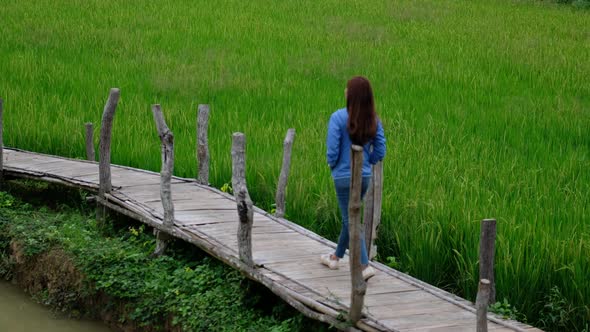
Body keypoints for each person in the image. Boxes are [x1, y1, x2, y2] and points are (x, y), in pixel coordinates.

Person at [320, 76, 386, 281]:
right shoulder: (373, 120)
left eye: (347, 89)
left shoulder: (338, 117)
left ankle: (365, 265)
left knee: (351, 219)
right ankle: (335, 257)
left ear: (353, 94)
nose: (345, 91)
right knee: (351, 216)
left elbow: (332, 150)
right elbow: (380, 149)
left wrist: (334, 166)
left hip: (342, 177)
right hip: (364, 176)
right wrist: (368, 163)